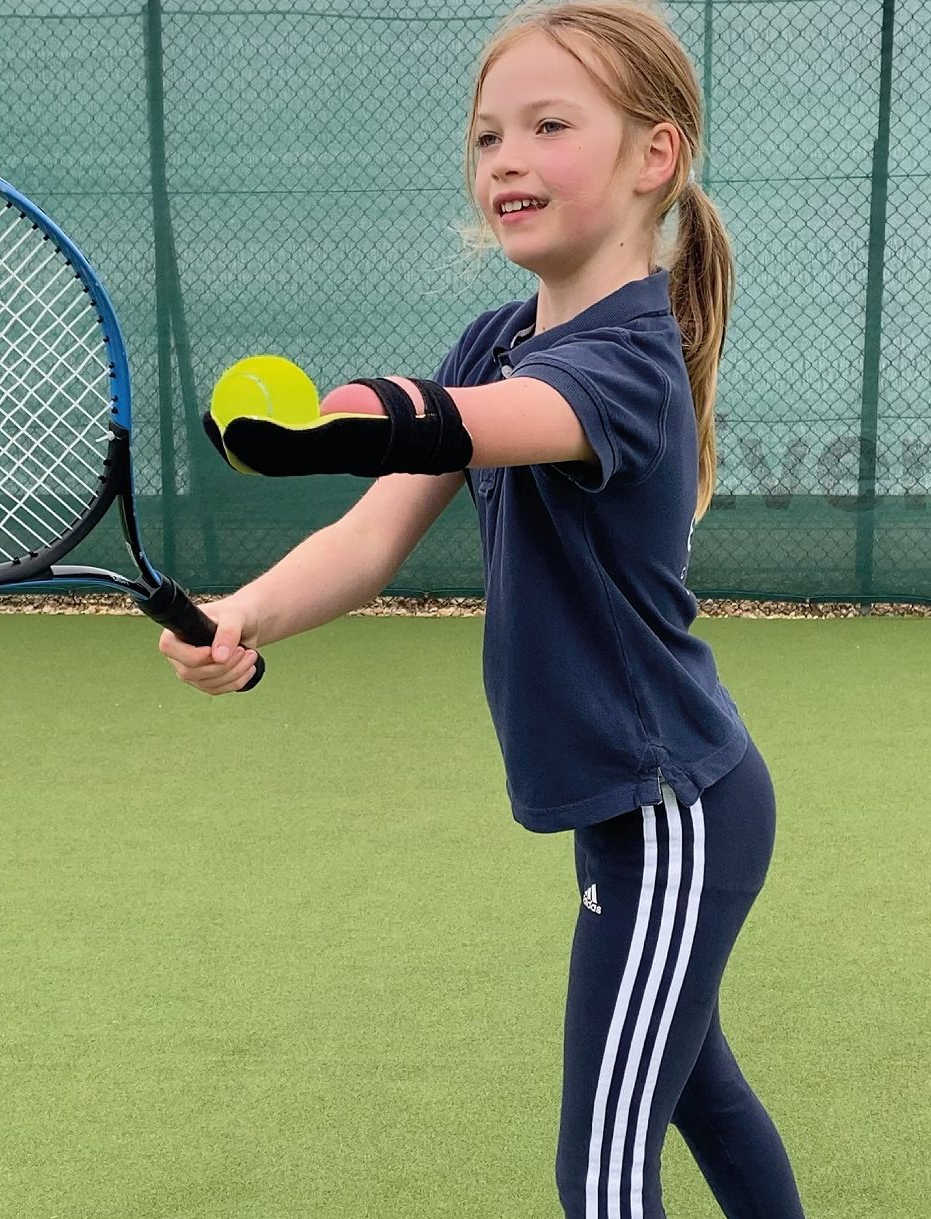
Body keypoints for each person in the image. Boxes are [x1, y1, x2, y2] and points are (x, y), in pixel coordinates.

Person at [162, 3, 807, 1215]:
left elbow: (460, 423)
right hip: (638, 801)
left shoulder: (626, 361)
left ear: (652, 156)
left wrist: (321, 422)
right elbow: (370, 534)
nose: (505, 158)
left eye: (548, 125)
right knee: (696, 1088)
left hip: (673, 810)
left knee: (604, 1174)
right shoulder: (497, 336)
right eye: (486, 136)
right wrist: (243, 611)